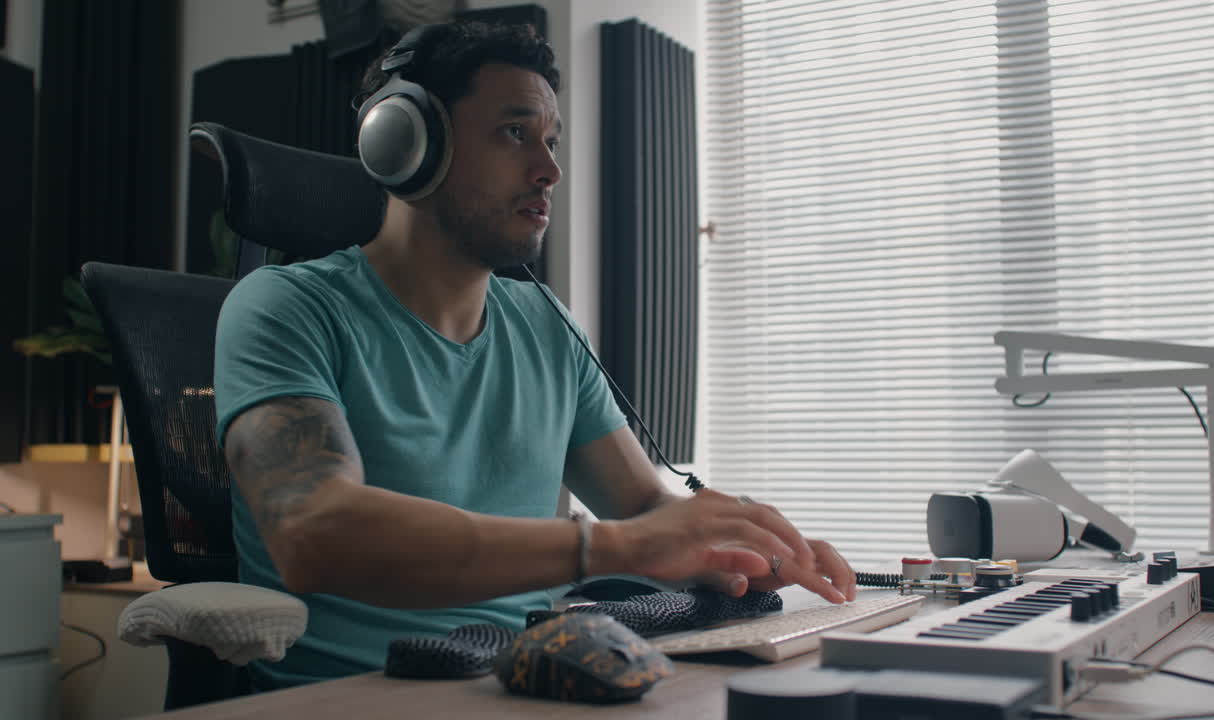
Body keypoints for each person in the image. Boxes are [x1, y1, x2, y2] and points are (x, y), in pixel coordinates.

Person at [214, 19, 855, 690]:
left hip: (516, 687)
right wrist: (606, 547)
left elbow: (638, 507)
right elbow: (313, 531)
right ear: (405, 142)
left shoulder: (548, 331)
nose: (548, 170)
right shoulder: (284, 308)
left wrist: (745, 545)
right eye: (514, 134)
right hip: (345, 700)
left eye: (551, 140)